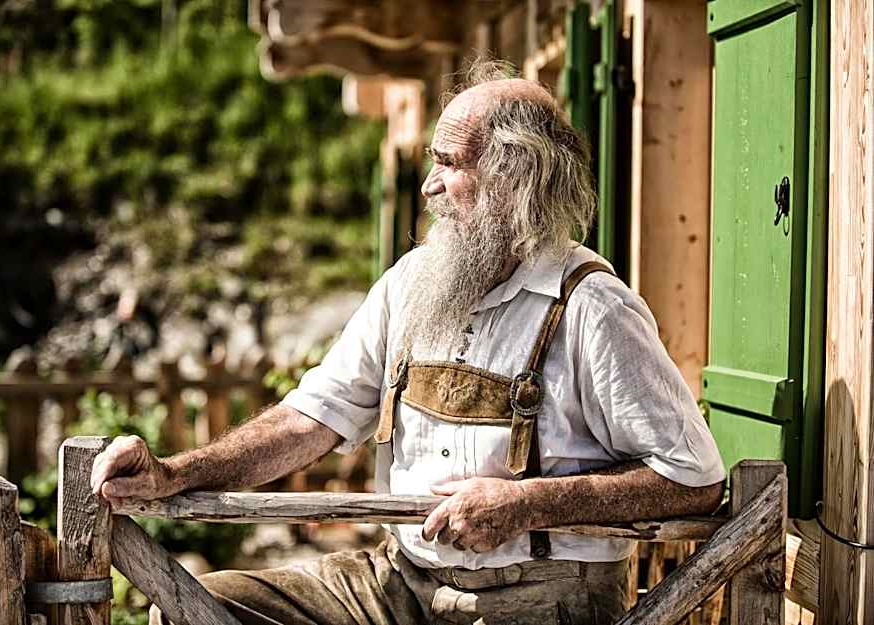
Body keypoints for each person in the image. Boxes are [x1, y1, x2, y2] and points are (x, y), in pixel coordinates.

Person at [90, 61, 725, 625]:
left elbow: (692, 482)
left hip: (537, 600)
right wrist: (174, 474)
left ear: (513, 178)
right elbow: (310, 419)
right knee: (199, 605)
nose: (428, 187)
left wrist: (527, 504)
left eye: (450, 164)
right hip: (400, 583)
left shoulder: (593, 308)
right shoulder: (412, 283)